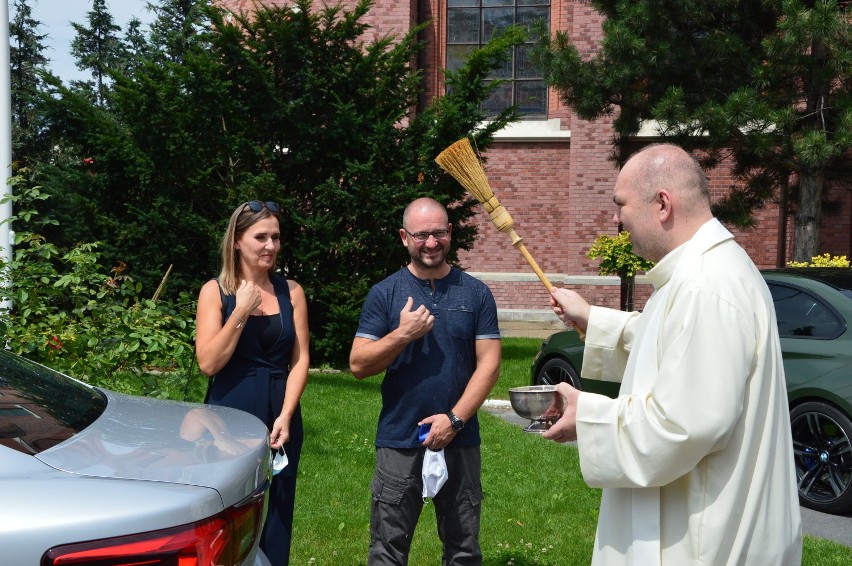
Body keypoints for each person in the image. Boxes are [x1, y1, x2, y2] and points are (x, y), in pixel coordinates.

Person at [544, 144, 802, 565]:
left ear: (662, 204)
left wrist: (586, 416)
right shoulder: (703, 273)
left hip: (702, 543)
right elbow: (665, 343)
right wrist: (590, 317)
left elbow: (685, 425)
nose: (615, 219)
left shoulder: (706, 285)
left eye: (621, 204)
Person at [349, 197, 502, 565]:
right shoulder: (384, 294)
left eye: (438, 233)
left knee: (464, 549)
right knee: (387, 550)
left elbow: (490, 365)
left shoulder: (475, 293)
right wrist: (402, 335)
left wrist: (454, 420)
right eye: (421, 235)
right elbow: (358, 364)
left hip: (461, 438)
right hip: (400, 440)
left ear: (450, 233)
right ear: (404, 238)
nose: (431, 243)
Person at [195, 200, 310, 566]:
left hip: (282, 407)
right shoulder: (215, 292)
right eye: (260, 237)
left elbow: (301, 358)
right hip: (230, 409)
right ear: (237, 241)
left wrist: (287, 415)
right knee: (230, 502)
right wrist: (241, 311)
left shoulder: (291, 291)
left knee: (280, 499)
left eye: (275, 237)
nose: (271, 246)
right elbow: (209, 362)